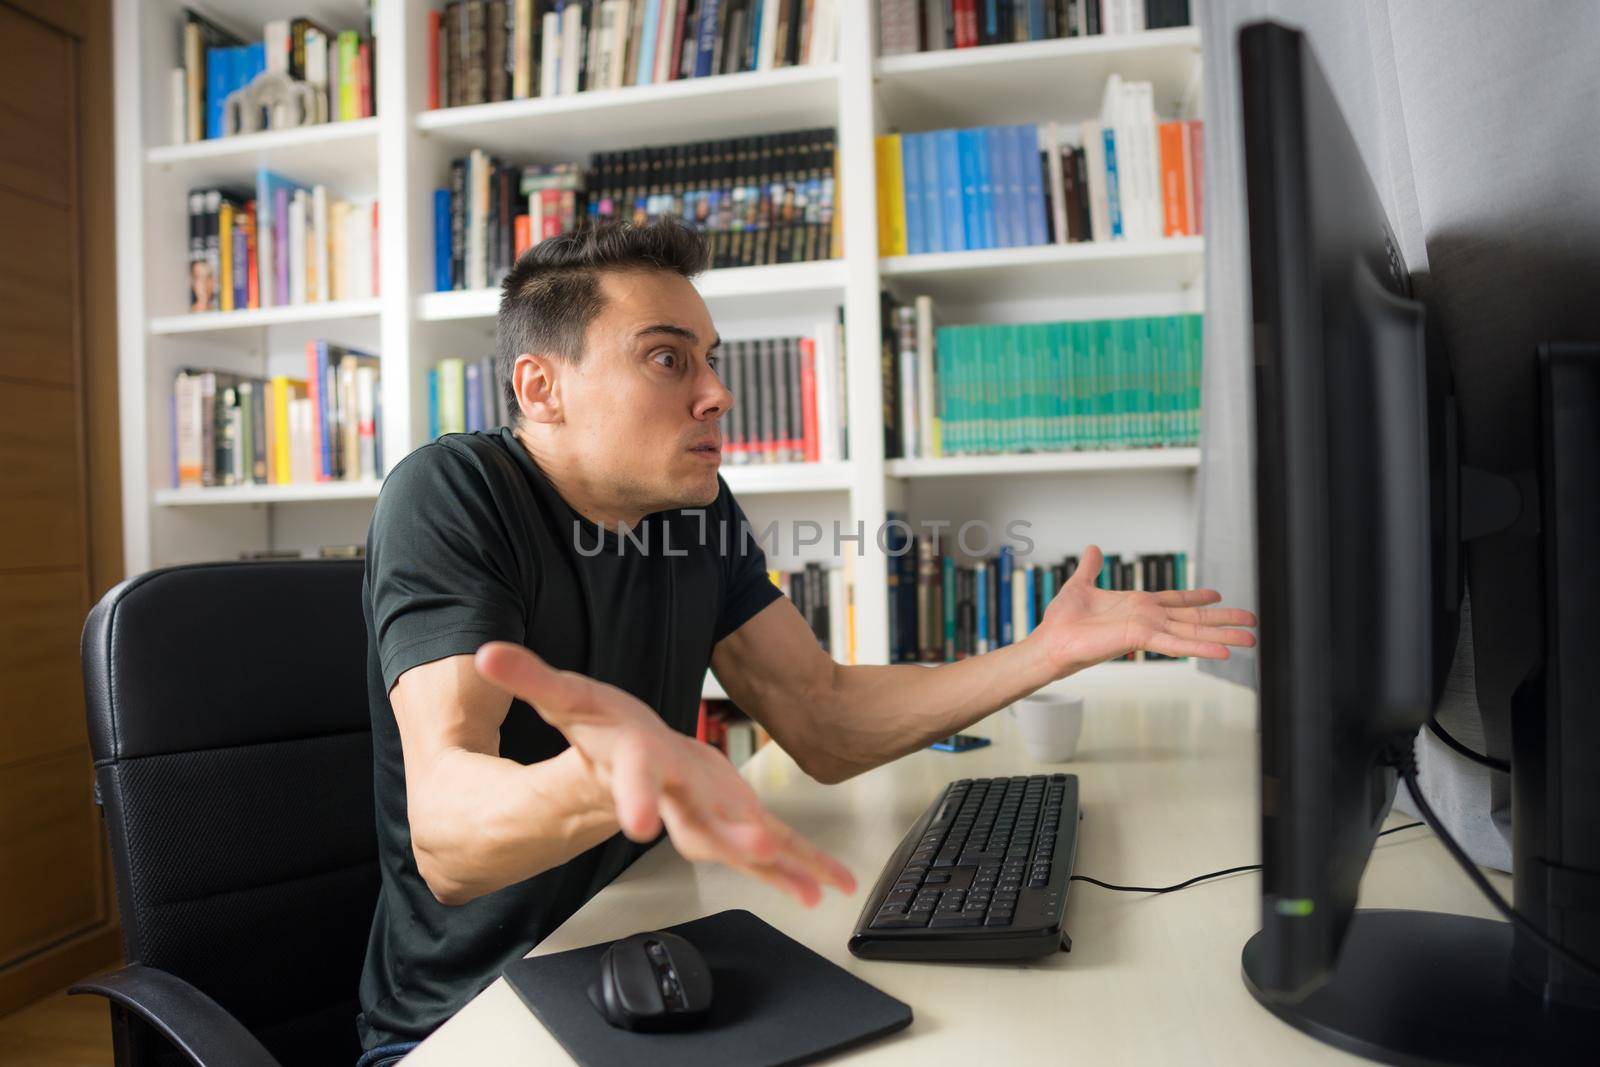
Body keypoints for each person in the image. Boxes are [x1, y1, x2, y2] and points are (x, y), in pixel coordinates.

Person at [355, 220, 1255, 1062]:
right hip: (471, 1019)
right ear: (540, 388)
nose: (717, 393)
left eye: (710, 360)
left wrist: (1046, 652)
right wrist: (619, 771)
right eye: (667, 358)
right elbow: (447, 838)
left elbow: (819, 714)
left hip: (638, 950)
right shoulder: (452, 493)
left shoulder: (692, 511)